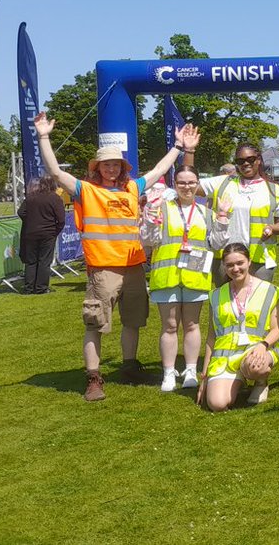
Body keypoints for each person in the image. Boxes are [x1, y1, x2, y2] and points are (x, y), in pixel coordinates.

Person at [34, 111, 197, 401]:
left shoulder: (133, 187)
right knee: (95, 324)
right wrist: (43, 136)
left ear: (122, 168)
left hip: (134, 266)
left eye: (116, 165)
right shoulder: (86, 190)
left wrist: (179, 147)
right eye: (106, 164)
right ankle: (94, 378)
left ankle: (130, 366)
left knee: (133, 321)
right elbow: (56, 172)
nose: (111, 169)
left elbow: (159, 171)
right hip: (102, 269)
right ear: (97, 167)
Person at [140, 165, 232, 392]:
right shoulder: (160, 207)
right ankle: (169, 372)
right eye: (181, 182)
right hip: (166, 275)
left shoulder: (205, 213)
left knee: (192, 325)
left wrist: (222, 218)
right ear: (175, 184)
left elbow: (217, 244)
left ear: (197, 183)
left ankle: (191, 369)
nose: (187, 187)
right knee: (169, 325)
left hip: (195, 276)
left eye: (191, 182)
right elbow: (148, 240)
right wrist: (150, 220)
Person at [196, 244, 279, 411]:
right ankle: (239, 380)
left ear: (249, 261)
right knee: (217, 404)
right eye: (229, 265)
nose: (235, 269)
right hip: (226, 356)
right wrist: (205, 376)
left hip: (256, 349)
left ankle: (260, 381)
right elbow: (211, 337)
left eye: (240, 263)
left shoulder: (269, 290)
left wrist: (263, 345)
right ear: (223, 266)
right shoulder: (216, 295)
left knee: (254, 366)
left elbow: (276, 330)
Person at [191, 143, 279, 283]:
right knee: (225, 302)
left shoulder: (274, 190)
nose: (245, 163)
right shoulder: (223, 182)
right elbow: (189, 183)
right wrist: (189, 151)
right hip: (225, 259)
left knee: (259, 302)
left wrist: (272, 228)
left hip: (260, 259)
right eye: (240, 161)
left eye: (250, 159)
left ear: (259, 160)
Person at [17, 175, 65, 295]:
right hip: (48, 233)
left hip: (30, 233)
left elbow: (21, 212)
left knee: (31, 261)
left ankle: (29, 288)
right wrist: (55, 231)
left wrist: (30, 221)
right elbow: (61, 219)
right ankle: (41, 288)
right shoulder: (55, 198)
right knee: (44, 260)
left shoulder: (31, 196)